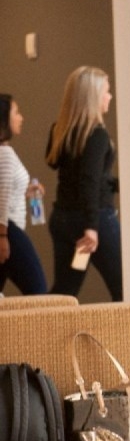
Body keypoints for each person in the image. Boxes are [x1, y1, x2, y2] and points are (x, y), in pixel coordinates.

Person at [45, 66, 122, 301]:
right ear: (93, 96)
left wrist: (114, 184)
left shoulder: (60, 131)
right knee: (124, 286)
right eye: (106, 92)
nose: (110, 97)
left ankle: (39, 333)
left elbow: (68, 170)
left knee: (64, 292)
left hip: (63, 220)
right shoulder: (97, 134)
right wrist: (91, 226)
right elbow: (88, 181)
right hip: (94, 219)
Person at [0, 94, 48, 295]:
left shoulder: (5, 151)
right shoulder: (5, 154)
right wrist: (2, 236)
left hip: (7, 228)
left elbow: (6, 190)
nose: (21, 118)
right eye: (16, 113)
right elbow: (1, 198)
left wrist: (26, 192)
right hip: (8, 229)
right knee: (38, 290)